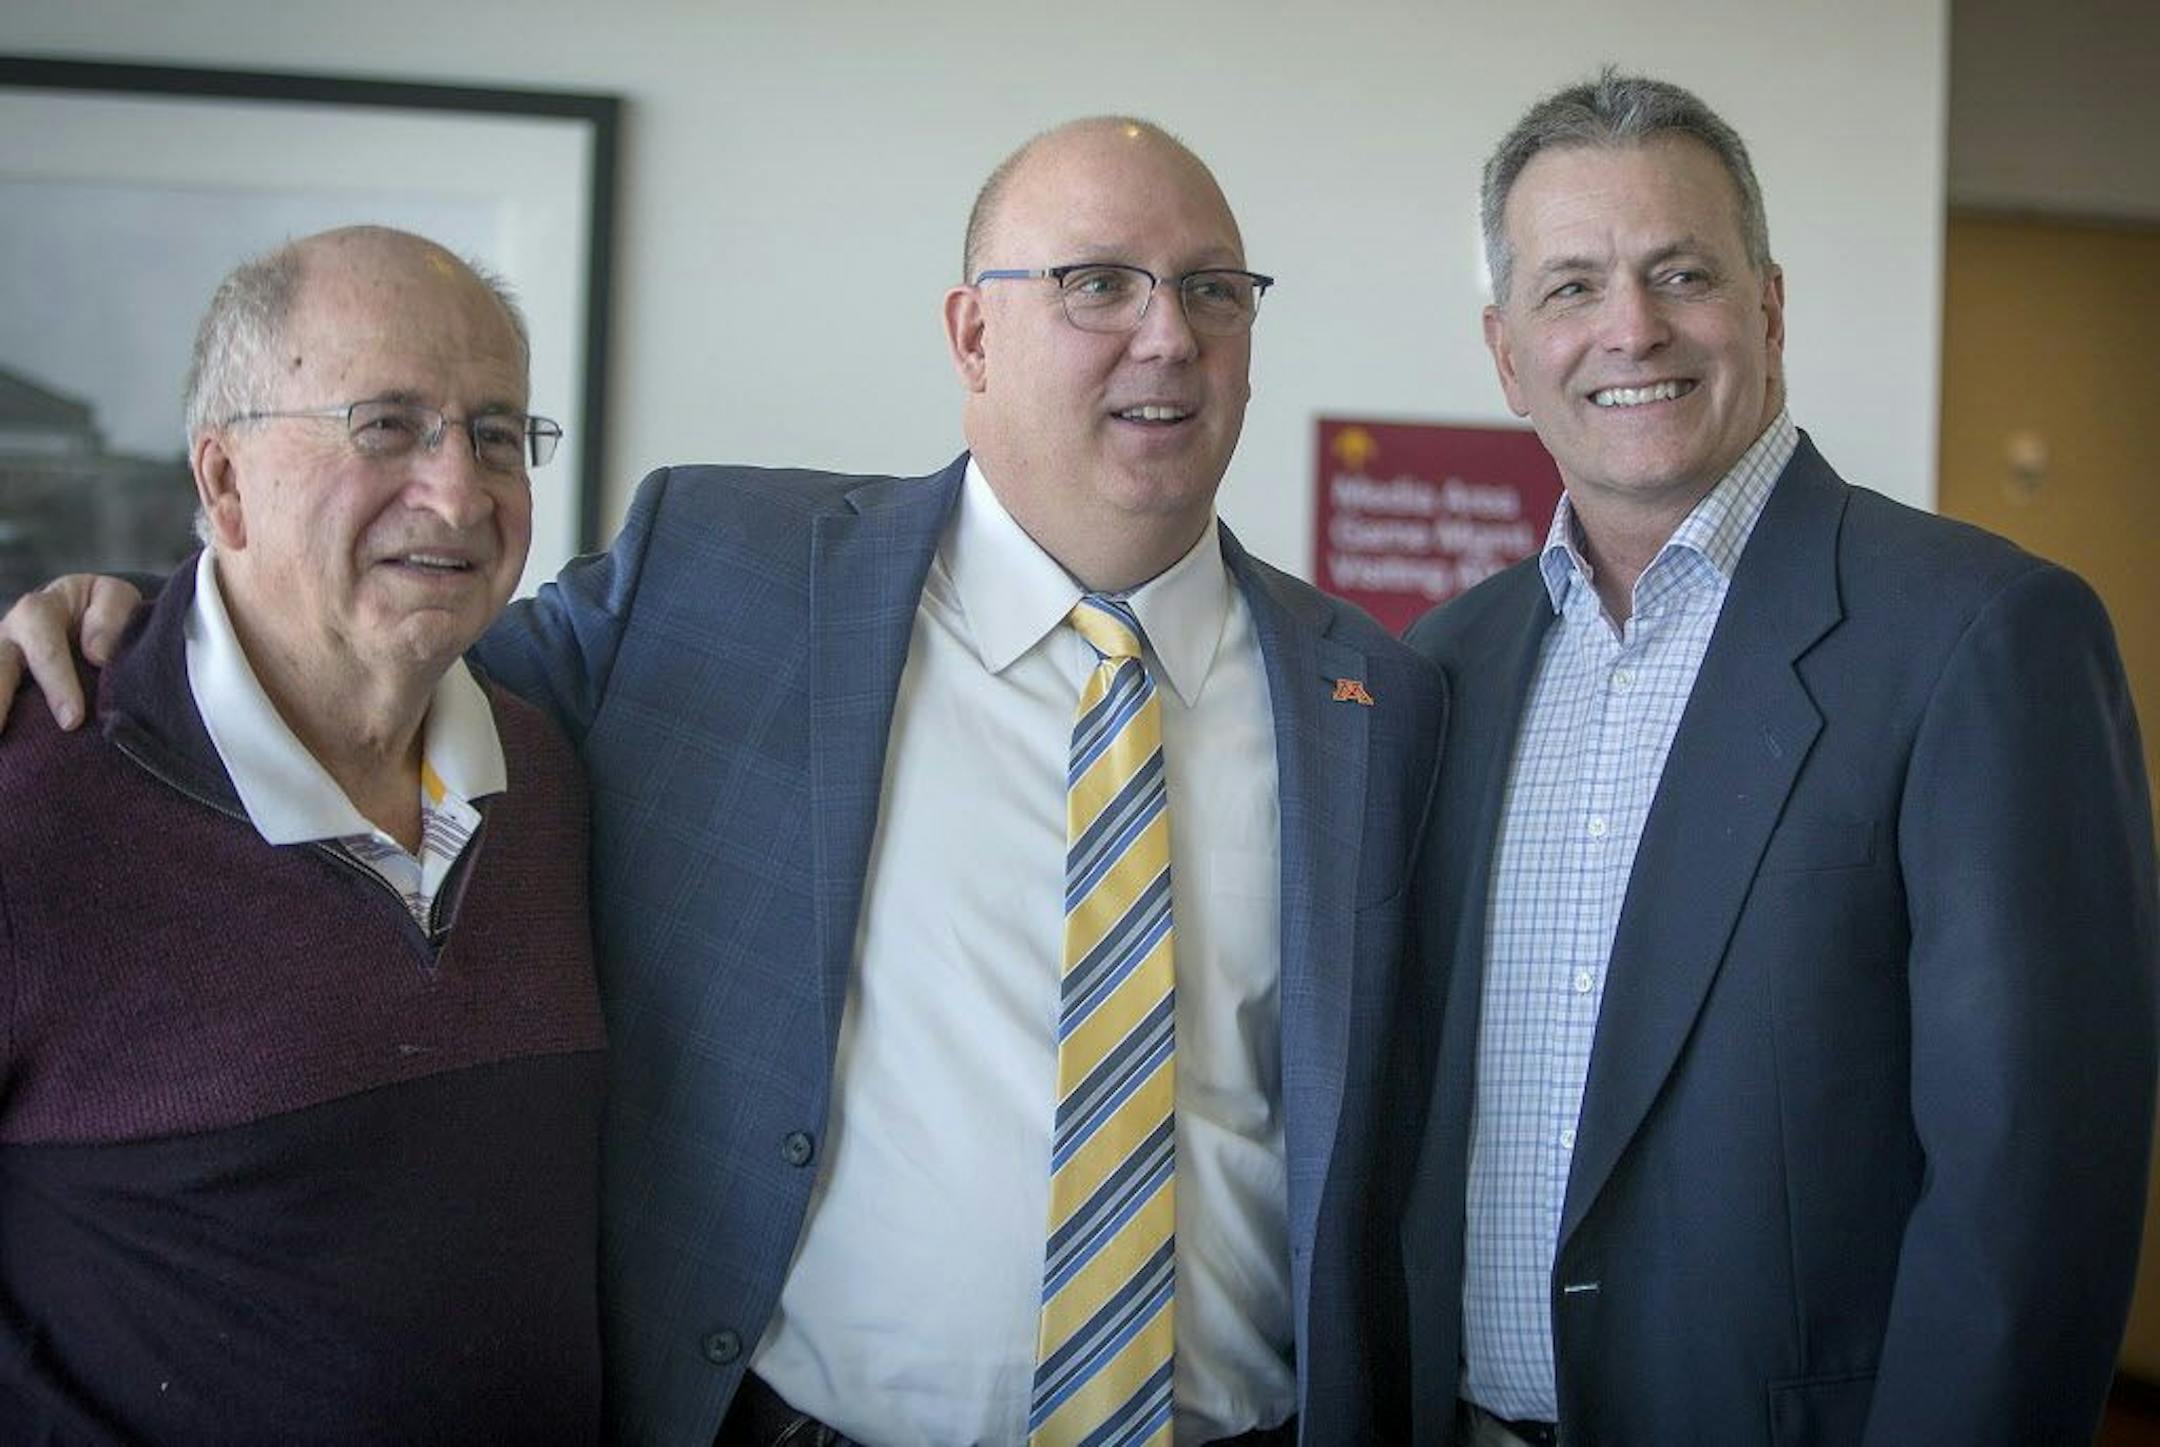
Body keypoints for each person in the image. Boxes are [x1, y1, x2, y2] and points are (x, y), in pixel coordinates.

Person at [2, 119, 1444, 1445]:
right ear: (972, 331)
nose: (1166, 338)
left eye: (1215, 292)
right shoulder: (720, 573)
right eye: (1096, 284)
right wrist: (127, 618)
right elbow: (376, 640)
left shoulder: (1375, 701)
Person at [1396, 69, 2159, 1446]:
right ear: (1509, 355)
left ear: (1770, 308)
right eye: (1570, 286)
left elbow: (2033, 1200)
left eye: (1680, 270)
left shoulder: (1981, 637)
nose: (1631, 326)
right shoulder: (1440, 670)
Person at [0, 226, 606, 1441]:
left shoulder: (550, 774)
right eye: (385, 424)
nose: (458, 491)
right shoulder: (32, 799)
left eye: (496, 434)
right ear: (223, 483)